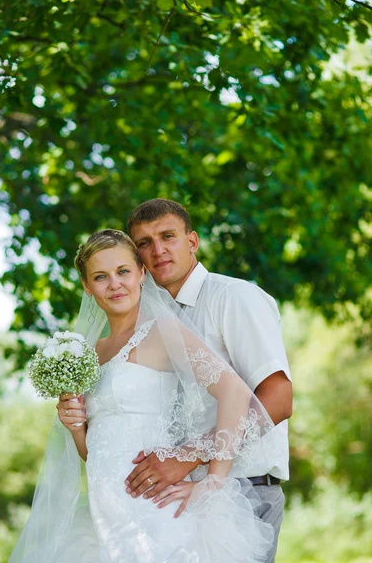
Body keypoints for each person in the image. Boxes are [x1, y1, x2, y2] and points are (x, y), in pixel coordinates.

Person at [11, 229, 278, 562]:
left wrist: (214, 481)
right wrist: (77, 427)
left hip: (156, 512)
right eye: (100, 276)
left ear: (141, 273)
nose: (115, 284)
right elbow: (96, 452)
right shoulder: (89, 354)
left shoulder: (162, 332)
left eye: (123, 271)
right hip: (105, 518)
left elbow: (235, 392)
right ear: (87, 286)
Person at [123, 199, 293, 563]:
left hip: (243, 492)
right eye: (144, 243)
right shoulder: (145, 319)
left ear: (192, 241)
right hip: (171, 502)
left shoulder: (234, 297)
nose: (158, 250)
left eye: (168, 236)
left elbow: (278, 398)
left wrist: (189, 455)